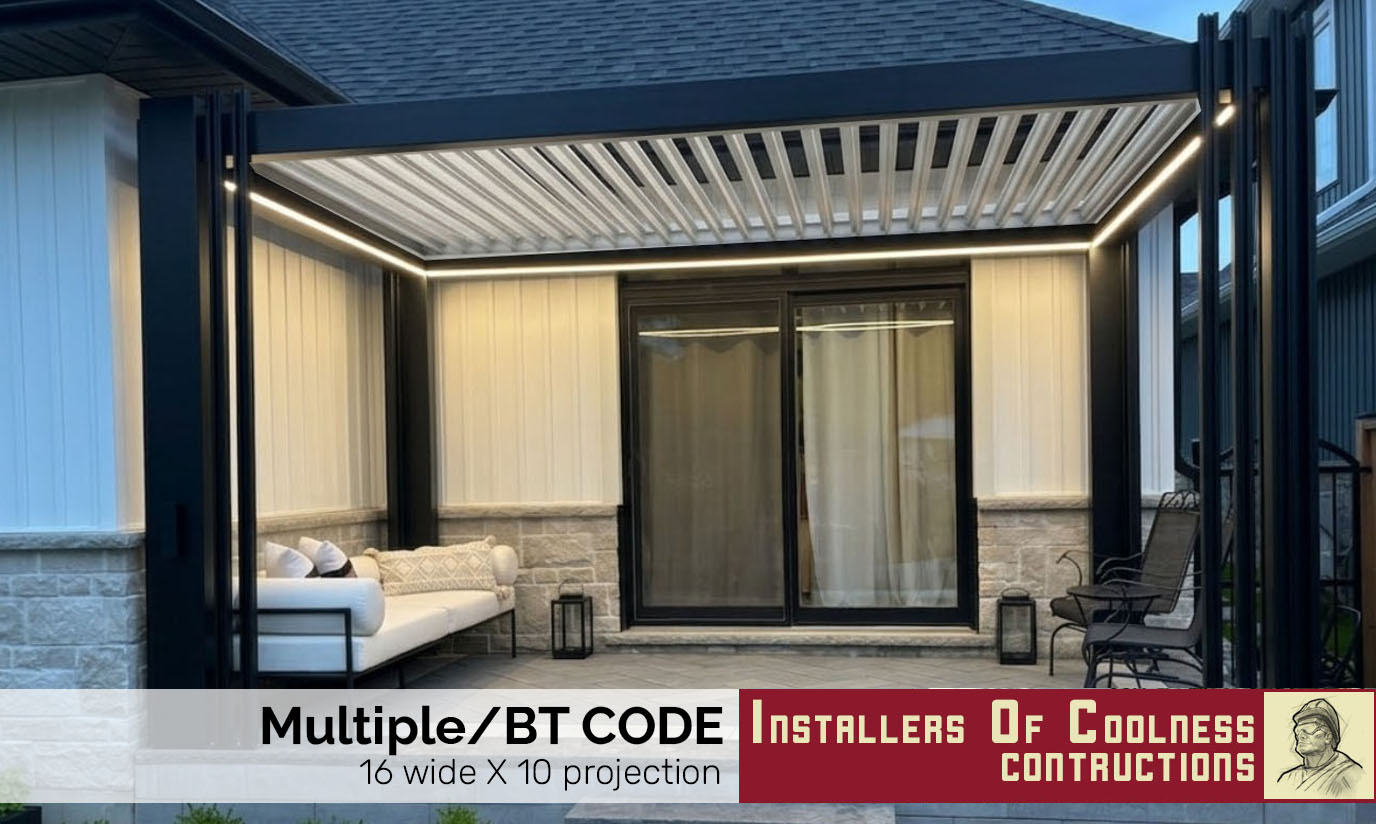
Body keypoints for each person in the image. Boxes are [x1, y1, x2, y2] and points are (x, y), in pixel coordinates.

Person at [1276, 698, 1364, 797]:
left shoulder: (1352, 775)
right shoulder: (1287, 778)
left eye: (1308, 730)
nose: (1301, 736)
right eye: (1298, 731)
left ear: (1328, 737)